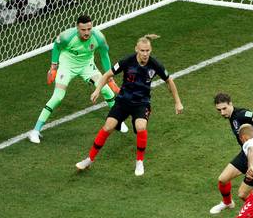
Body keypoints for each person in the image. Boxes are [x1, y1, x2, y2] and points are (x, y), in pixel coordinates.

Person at [75, 35, 183, 176]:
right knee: (108, 127)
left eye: (148, 51)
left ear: (151, 50)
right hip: (123, 101)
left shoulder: (155, 64)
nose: (145, 54)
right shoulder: (127, 61)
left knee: (141, 127)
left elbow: (169, 81)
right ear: (136, 49)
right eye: (142, 50)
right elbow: (107, 74)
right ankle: (89, 159)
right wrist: (97, 90)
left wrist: (178, 102)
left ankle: (139, 162)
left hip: (142, 102)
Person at [29, 14, 127, 143]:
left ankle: (118, 121)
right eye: (83, 30)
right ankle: (35, 131)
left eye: (89, 29)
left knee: (107, 90)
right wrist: (53, 67)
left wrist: (110, 78)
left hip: (87, 65)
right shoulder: (66, 36)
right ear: (77, 28)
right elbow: (57, 47)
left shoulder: (99, 38)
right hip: (67, 64)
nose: (87, 33)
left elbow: (104, 56)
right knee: (58, 96)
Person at [209, 93, 253, 214]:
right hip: (245, 153)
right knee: (223, 179)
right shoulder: (231, 116)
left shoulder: (241, 114)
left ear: (231, 104)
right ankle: (228, 203)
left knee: (243, 194)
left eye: (224, 108)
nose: (222, 113)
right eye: (219, 110)